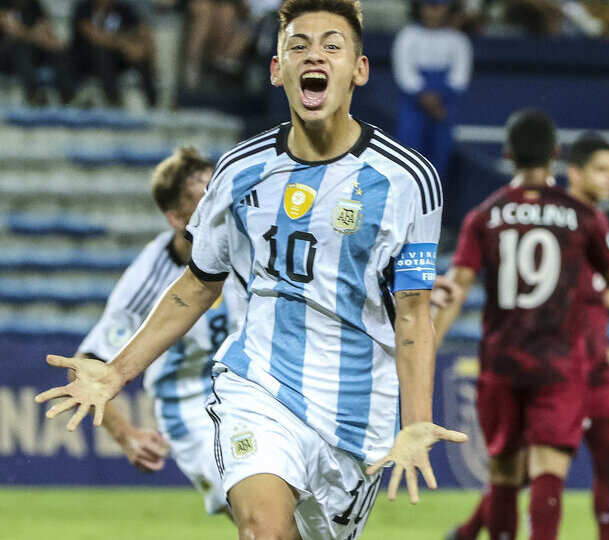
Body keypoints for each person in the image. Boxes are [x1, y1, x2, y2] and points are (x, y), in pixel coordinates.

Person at [37, 2, 467, 539]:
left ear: (358, 69)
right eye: (299, 45)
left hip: (357, 411)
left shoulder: (409, 180)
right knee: (262, 530)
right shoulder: (240, 171)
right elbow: (197, 283)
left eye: (332, 45)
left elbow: (412, 314)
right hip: (258, 384)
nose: (315, 55)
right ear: (276, 68)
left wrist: (416, 420)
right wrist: (118, 371)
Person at [433, 110, 609, 540]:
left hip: (501, 361)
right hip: (558, 366)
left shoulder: (484, 216)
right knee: (548, 472)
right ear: (557, 155)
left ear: (507, 154)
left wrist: (428, 343)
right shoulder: (582, 216)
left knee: (504, 473)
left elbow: (457, 286)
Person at [77, 147, 241, 516]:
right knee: (258, 516)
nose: (219, 197)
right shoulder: (149, 277)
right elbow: (86, 363)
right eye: (205, 192)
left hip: (255, 391)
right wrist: (127, 436)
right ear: (176, 218)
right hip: (192, 407)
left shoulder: (247, 242)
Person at [392, 0, 473, 183]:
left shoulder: (458, 40)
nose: (434, 11)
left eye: (439, 6)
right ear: (419, 8)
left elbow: (460, 76)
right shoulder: (408, 36)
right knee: (408, 154)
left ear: (448, 9)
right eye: (429, 6)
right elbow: (404, 73)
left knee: (440, 156)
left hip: (444, 104)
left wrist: (438, 99)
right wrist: (424, 97)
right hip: (414, 105)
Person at [70, 0, 158, 107]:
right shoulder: (83, 9)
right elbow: (94, 36)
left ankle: (153, 101)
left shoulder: (123, 9)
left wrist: (139, 48)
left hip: (117, 58)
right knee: (102, 53)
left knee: (140, 55)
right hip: (88, 60)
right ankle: (113, 99)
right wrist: (124, 45)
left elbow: (143, 31)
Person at [0, 0, 74, 105]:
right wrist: (34, 35)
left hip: (32, 49)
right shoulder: (3, 5)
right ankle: (32, 94)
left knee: (57, 51)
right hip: (7, 53)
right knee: (20, 46)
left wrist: (51, 41)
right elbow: (12, 31)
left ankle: (68, 97)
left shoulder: (34, 5)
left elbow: (45, 26)